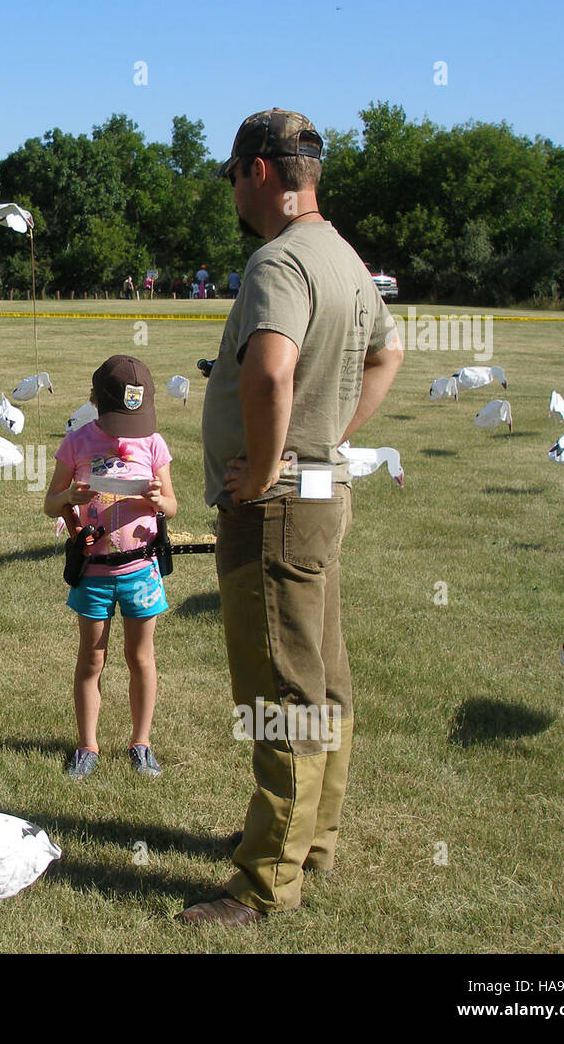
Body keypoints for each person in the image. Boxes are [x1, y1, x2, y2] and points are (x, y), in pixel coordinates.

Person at [180, 110, 402, 927]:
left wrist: (270, 464)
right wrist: (327, 439)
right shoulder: (343, 256)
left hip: (274, 506)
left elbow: (270, 373)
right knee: (321, 679)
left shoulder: (278, 260)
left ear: (261, 172)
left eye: (234, 175)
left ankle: (269, 875)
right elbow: (389, 353)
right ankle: (313, 840)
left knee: (281, 689)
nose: (233, 191)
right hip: (319, 492)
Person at [44, 355, 177, 780]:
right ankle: (87, 745)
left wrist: (160, 502)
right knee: (91, 659)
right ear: (94, 402)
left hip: (141, 569)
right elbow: (50, 505)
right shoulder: (76, 443)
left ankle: (142, 743)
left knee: (141, 657)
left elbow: (173, 505)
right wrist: (71, 496)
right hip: (94, 573)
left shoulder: (153, 443)